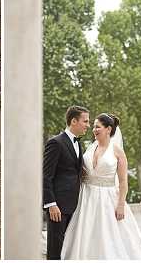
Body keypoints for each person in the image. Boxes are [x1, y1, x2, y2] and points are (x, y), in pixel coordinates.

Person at [61, 113, 141, 259]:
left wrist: (121, 204)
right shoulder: (90, 148)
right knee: (85, 234)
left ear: (108, 129)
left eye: (97, 127)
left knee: (107, 236)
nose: (94, 129)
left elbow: (122, 181)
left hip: (108, 199)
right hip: (86, 198)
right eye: (94, 127)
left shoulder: (117, 152)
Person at [43, 106, 91, 260]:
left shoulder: (78, 143)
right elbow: (46, 175)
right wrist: (51, 204)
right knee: (55, 250)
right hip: (58, 207)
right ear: (74, 121)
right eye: (85, 121)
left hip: (74, 206)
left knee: (68, 249)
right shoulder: (55, 143)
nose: (88, 125)